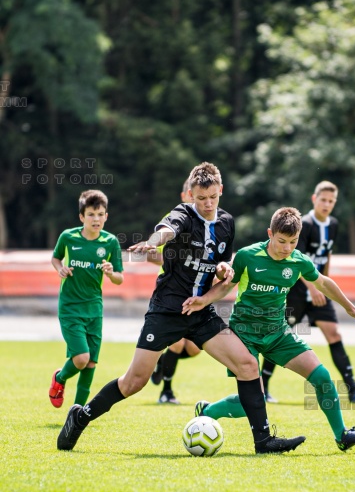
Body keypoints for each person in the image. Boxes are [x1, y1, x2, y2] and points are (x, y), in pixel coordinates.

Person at [57, 162, 305, 455]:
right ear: (190, 195)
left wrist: (224, 269)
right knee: (134, 381)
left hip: (201, 313)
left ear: (220, 190)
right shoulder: (183, 214)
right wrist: (152, 243)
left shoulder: (227, 223)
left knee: (248, 365)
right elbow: (166, 230)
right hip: (166, 310)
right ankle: (81, 416)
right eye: (200, 198)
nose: (207, 203)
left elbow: (220, 265)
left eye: (213, 196)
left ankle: (264, 441)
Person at [185, 207, 355, 452]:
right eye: (282, 241)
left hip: (278, 333)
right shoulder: (247, 255)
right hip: (245, 335)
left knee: (322, 378)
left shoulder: (298, 260)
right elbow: (225, 286)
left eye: (293, 242)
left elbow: (324, 282)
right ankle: (208, 411)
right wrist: (203, 300)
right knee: (252, 402)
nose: (287, 248)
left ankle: (342, 435)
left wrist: (350, 308)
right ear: (270, 234)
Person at [261, 181, 355, 404]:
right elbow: (298, 262)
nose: (327, 204)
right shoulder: (304, 224)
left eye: (331, 201)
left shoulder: (333, 224)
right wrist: (313, 286)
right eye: (323, 200)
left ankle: (352, 388)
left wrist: (324, 284)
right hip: (297, 291)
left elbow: (326, 256)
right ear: (314, 199)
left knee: (334, 334)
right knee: (278, 337)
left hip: (318, 290)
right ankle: (263, 387)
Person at [49, 190, 124, 409]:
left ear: (106, 216)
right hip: (70, 307)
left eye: (100, 214)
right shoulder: (68, 237)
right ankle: (60, 378)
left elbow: (120, 278)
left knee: (90, 364)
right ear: (82, 217)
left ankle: (77, 413)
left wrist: (110, 273)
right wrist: (60, 269)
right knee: (81, 358)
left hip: (94, 310)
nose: (96, 219)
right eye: (91, 214)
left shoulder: (110, 243)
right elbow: (55, 258)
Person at [151, 179, 201, 404]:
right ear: (185, 196)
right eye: (193, 195)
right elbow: (151, 253)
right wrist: (173, 262)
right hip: (172, 294)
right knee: (178, 343)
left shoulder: (207, 225)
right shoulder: (175, 220)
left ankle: (162, 362)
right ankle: (166, 392)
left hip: (196, 296)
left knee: (194, 350)